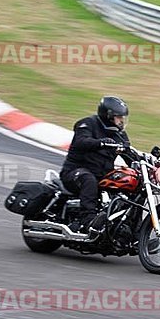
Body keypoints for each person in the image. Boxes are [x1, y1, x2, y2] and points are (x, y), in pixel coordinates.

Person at [60, 96, 131, 232]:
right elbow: (81, 141)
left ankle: (134, 230)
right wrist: (101, 142)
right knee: (88, 179)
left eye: (123, 118)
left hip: (102, 176)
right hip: (75, 172)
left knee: (129, 184)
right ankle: (88, 220)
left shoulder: (119, 135)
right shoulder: (87, 124)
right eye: (119, 117)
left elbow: (129, 153)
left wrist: (144, 163)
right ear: (108, 116)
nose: (121, 121)